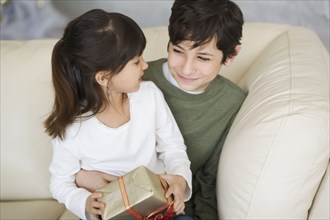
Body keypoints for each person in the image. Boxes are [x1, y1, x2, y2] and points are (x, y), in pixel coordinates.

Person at [75, 0, 246, 219]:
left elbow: (209, 179)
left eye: (202, 57)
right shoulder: (132, 80)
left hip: (171, 208)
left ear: (231, 55)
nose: (186, 68)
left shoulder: (231, 103)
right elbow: (79, 136)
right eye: (178, 51)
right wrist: (79, 177)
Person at [44, 9, 192, 220]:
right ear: (104, 78)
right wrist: (83, 202)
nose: (145, 65)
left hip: (157, 209)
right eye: (136, 62)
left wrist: (180, 179)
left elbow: (173, 147)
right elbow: (60, 183)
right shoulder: (72, 128)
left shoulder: (149, 95)